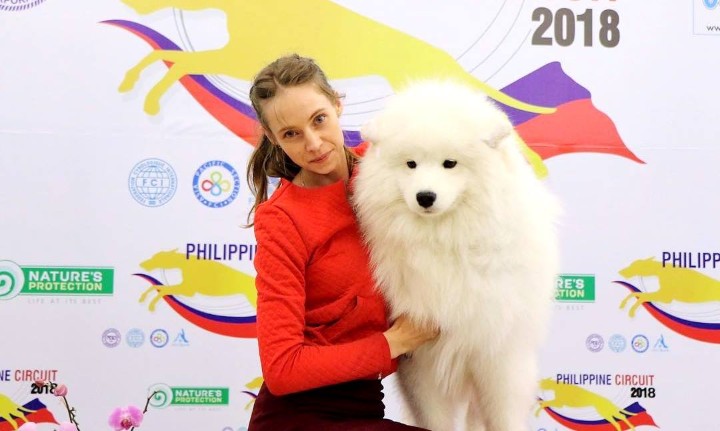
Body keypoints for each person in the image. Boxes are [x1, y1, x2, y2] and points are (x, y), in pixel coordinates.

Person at [245, 54, 438, 430]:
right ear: (272, 138)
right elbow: (282, 368)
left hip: (366, 407)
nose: (314, 144)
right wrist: (393, 342)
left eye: (319, 119)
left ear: (337, 104)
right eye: (291, 134)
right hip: (298, 417)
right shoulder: (281, 219)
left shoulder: (390, 170)